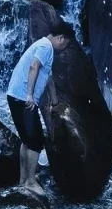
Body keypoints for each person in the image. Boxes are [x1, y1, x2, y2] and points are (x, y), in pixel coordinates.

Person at [6, 23, 74, 195]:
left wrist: (54, 101)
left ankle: (22, 181)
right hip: (24, 98)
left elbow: (48, 75)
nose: (63, 49)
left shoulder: (42, 45)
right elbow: (34, 67)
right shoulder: (46, 47)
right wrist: (29, 94)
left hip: (15, 95)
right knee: (36, 141)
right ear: (61, 39)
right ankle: (30, 181)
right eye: (65, 45)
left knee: (27, 140)